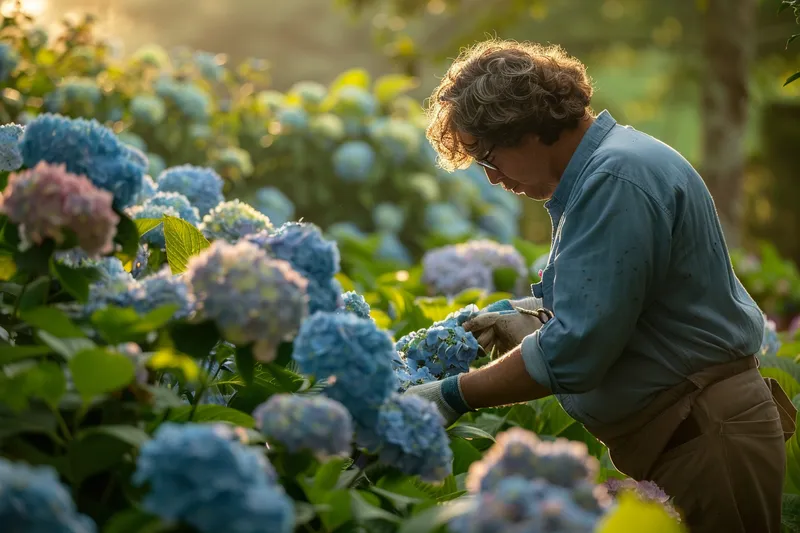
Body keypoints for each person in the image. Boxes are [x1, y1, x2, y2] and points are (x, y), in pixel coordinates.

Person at [405, 39, 797, 533]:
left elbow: (577, 347)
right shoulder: (609, 168)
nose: (491, 177)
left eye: (489, 155)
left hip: (704, 435)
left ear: (525, 128)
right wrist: (528, 312)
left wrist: (450, 395)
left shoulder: (615, 179)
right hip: (694, 431)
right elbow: (622, 302)